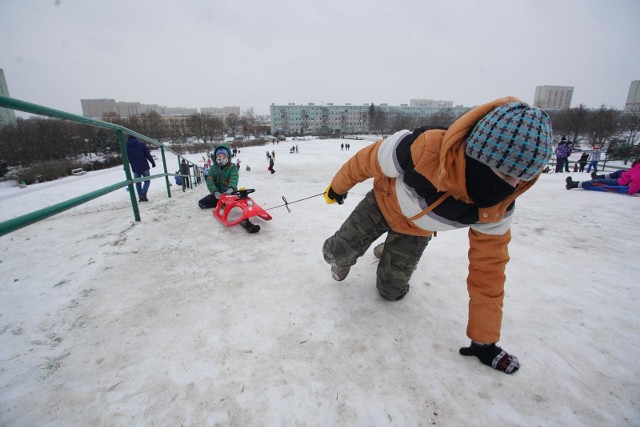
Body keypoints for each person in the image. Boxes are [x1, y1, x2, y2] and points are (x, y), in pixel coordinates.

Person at [322, 98, 553, 374]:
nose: (511, 186)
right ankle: (342, 259)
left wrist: (484, 340)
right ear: (480, 154)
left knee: (391, 293)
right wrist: (338, 187)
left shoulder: (497, 207)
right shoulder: (422, 148)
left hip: (415, 231)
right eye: (505, 173)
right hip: (381, 205)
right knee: (337, 251)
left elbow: (488, 271)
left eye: (520, 179)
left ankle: (389, 249)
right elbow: (365, 160)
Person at [198, 144, 257, 231]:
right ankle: (221, 204)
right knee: (202, 203)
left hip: (230, 194)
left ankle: (231, 207)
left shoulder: (232, 167)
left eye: (223, 155)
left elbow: (234, 178)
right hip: (218, 195)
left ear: (228, 157)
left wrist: (231, 188)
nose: (221, 158)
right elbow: (210, 180)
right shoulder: (213, 168)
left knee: (238, 203)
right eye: (219, 156)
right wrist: (215, 192)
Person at [566, 157, 640, 195]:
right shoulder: (637, 167)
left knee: (597, 182)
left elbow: (637, 180)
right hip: (625, 178)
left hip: (622, 182)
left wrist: (631, 191)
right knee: (620, 172)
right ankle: (598, 177)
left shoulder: (638, 167)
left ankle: (574, 184)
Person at [125, 135, 156, 202]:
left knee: (138, 182)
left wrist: (125, 166)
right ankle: (143, 194)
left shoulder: (126, 146)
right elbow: (147, 154)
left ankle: (140, 197)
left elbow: (126, 157)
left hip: (135, 167)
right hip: (144, 165)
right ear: (135, 137)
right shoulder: (141, 144)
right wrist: (152, 162)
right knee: (147, 180)